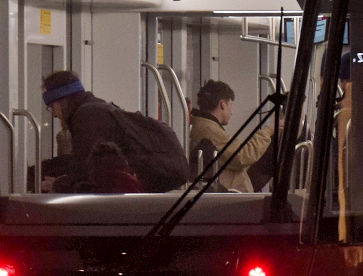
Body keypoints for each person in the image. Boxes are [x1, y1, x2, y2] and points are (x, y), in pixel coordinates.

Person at [39, 70, 189, 193]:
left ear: (62, 101)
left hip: (131, 190)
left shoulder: (87, 116)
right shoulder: (97, 108)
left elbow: (88, 171)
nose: (53, 114)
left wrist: (59, 184)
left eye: (52, 107)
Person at [187, 80, 275, 193]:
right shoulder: (209, 130)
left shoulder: (202, 125)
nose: (231, 112)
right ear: (222, 104)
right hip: (229, 192)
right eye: (230, 105)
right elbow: (242, 156)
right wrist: (268, 131)